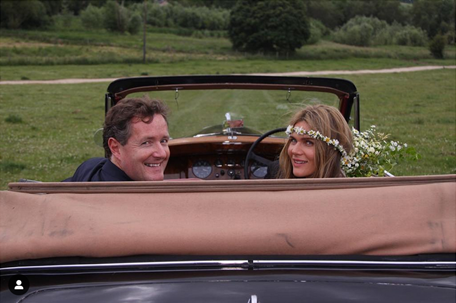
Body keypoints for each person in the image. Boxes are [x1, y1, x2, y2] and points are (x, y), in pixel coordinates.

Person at [64, 96, 170, 182]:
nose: (162, 153)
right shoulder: (136, 202)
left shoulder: (90, 168)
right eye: (146, 143)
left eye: (163, 141)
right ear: (115, 148)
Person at [267, 104, 353, 179]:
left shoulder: (345, 192)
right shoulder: (276, 171)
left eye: (308, 142)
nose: (294, 150)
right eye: (293, 140)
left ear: (331, 150)